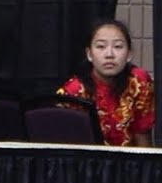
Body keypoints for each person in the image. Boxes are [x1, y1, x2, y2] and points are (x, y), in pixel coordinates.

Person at [56, 18, 155, 147]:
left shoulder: (139, 81)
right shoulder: (73, 91)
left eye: (118, 46)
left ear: (129, 54)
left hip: (129, 162)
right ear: (89, 54)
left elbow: (143, 136)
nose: (109, 54)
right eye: (101, 46)